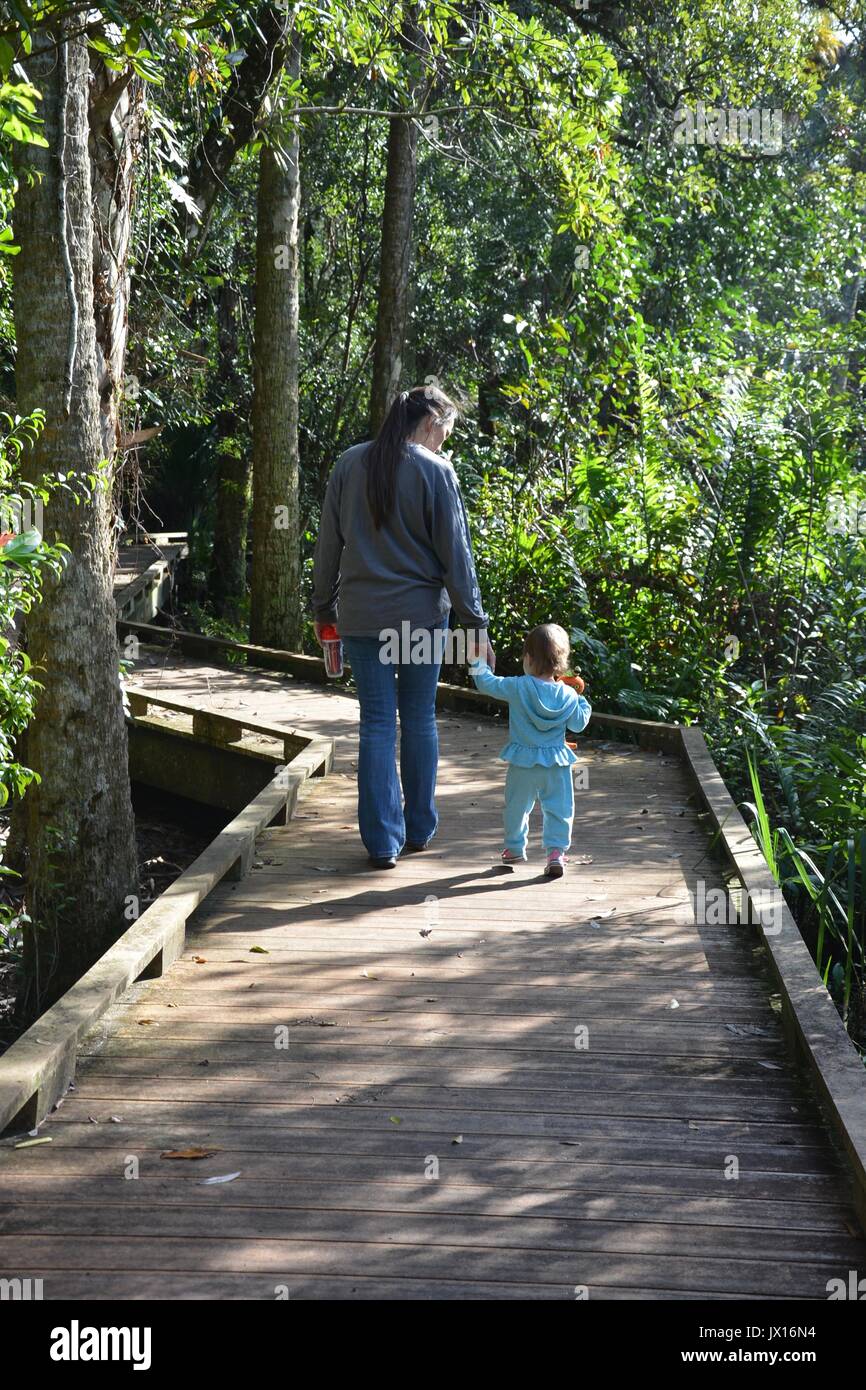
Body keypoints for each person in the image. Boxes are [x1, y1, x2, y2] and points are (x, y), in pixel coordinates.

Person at [312, 384, 493, 869]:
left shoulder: (349, 464)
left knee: (375, 723)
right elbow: (457, 556)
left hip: (361, 616)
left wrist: (321, 610)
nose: (444, 445)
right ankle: (419, 829)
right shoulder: (436, 471)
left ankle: (381, 843)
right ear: (432, 423)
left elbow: (328, 546)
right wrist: (476, 623)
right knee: (417, 719)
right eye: (446, 434)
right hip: (419, 620)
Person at [468, 623, 591, 878]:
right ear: (562, 662)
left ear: (528, 658)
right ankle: (556, 854)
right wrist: (582, 701)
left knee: (516, 806)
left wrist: (477, 660)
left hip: (523, 761)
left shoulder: (518, 686)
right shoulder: (568, 695)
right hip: (556, 763)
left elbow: (486, 683)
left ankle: (514, 848)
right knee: (559, 808)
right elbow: (578, 724)